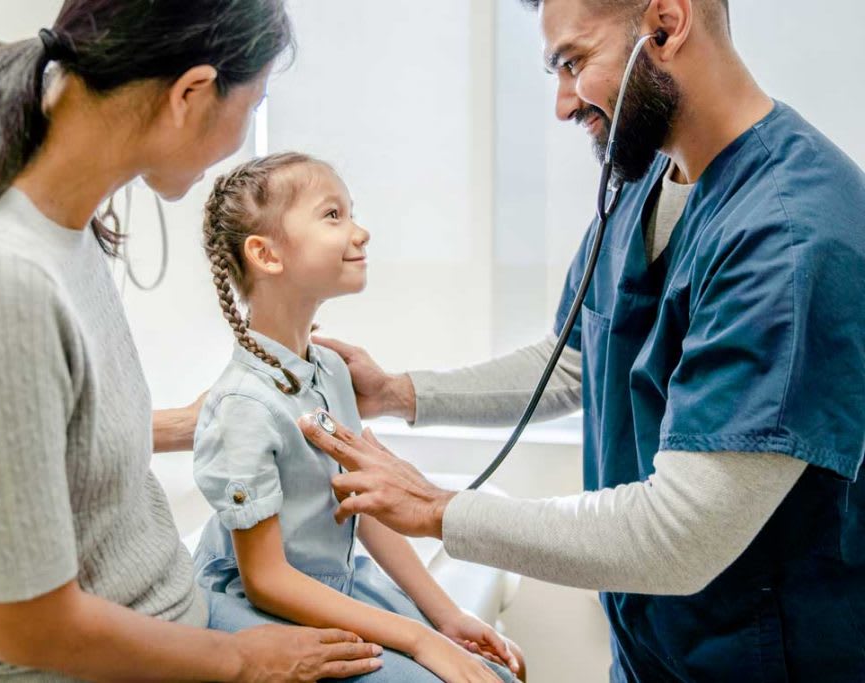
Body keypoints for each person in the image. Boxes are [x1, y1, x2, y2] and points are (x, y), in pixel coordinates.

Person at [296, 0, 865, 681]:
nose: (563, 105)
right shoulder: (644, 181)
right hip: (655, 647)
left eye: (573, 63)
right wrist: (400, 394)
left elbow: (682, 534)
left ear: (666, 23)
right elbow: (574, 357)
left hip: (766, 658)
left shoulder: (791, 237)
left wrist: (434, 508)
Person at [0, 2, 386, 680]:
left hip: (172, 618)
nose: (244, 138)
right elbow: (28, 625)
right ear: (190, 94)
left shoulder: (68, 230)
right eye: (253, 106)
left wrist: (226, 418)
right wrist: (241, 658)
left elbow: (57, 435)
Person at [191, 153, 523, 683]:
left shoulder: (330, 370)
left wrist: (446, 617)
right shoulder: (244, 407)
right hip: (264, 607)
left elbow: (363, 506)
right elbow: (266, 580)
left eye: (352, 213)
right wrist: (418, 638)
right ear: (266, 254)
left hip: (334, 583)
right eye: (333, 215)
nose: (360, 232)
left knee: (495, 675)